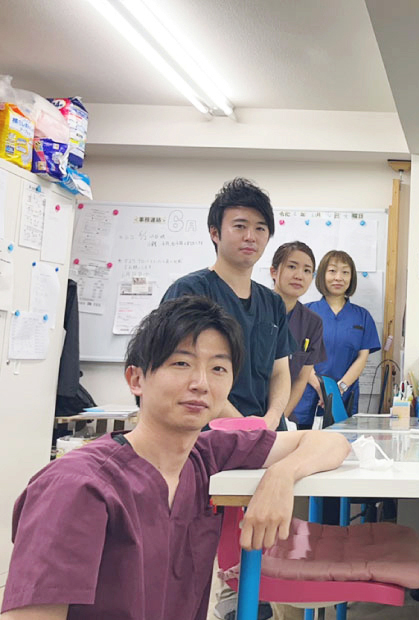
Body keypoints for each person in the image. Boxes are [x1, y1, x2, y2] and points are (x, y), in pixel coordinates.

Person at [0, 295, 351, 620]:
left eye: (218, 369)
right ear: (136, 379)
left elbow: (332, 443)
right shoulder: (76, 487)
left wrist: (282, 476)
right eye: (182, 363)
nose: (201, 383)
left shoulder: (206, 456)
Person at [162, 178, 295, 430]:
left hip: (264, 433)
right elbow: (183, 371)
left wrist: (271, 419)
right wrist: (242, 426)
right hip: (207, 434)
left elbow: (279, 372)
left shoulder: (273, 302)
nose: (250, 237)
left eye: (260, 228)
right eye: (240, 226)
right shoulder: (190, 292)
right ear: (215, 233)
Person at [291, 250, 380, 423]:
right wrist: (321, 388)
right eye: (332, 271)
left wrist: (338, 389)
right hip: (307, 393)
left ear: (351, 278)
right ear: (322, 275)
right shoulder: (305, 312)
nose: (339, 278)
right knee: (305, 438)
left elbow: (362, 358)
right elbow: (298, 355)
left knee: (342, 437)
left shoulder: (362, 316)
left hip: (344, 395)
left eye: (345, 272)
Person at [269, 241, 328, 429]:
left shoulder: (312, 323)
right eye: (292, 266)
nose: (299, 275)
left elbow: (302, 378)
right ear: (274, 272)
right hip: (243, 411)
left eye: (307, 270)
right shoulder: (255, 310)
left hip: (282, 415)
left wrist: (279, 419)